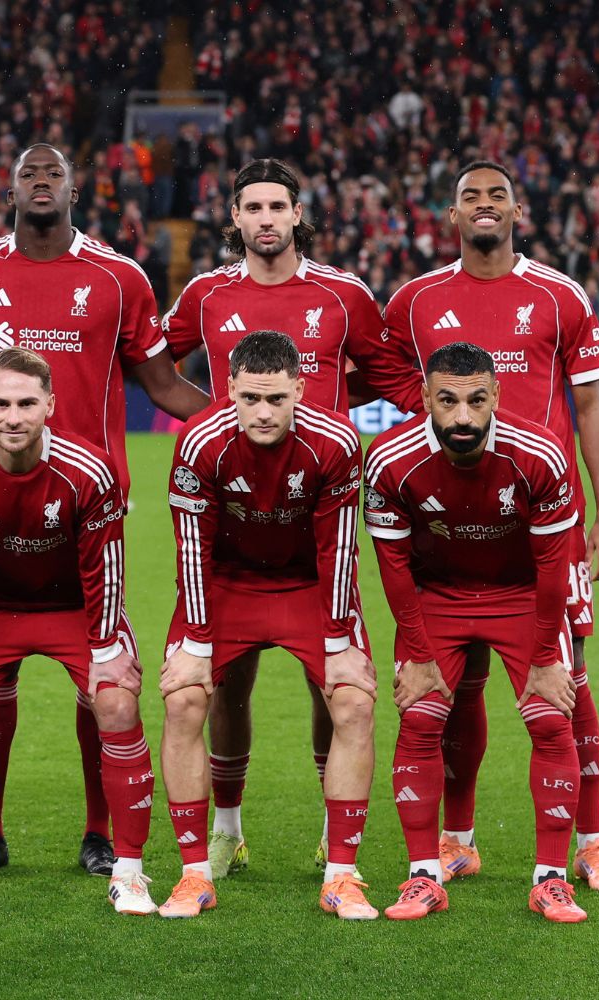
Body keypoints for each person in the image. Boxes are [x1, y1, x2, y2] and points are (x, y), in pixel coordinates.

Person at [0, 142, 209, 876]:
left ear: (74, 189)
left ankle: (98, 833)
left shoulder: (118, 277)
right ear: (10, 191)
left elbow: (162, 383)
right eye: (28, 173)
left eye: (53, 173)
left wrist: (235, 424)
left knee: (101, 678)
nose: (41, 182)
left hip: (91, 511)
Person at [161, 158, 421, 876]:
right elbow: (152, 363)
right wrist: (212, 421)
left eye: (278, 206)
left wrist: (450, 423)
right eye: (253, 207)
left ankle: (332, 828)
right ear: (235, 218)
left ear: (298, 214)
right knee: (227, 684)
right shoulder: (207, 293)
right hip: (233, 521)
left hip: (319, 522)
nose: (267, 218)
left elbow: (390, 376)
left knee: (330, 683)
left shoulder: (343, 295)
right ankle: (227, 828)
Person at [384, 160, 599, 891]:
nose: (484, 205)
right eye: (470, 196)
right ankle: (457, 840)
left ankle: (591, 841)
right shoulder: (415, 301)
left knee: (567, 683)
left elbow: (590, 406)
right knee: (455, 687)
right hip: (449, 529)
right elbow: (383, 382)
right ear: (451, 215)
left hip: (545, 527)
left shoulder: (558, 294)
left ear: (518, 210)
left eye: (497, 195)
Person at [0, 348, 157, 915]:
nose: (13, 417)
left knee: (116, 702)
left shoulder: (88, 469)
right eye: (0, 404)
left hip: (75, 607)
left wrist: (106, 649)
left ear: (50, 405)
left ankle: (128, 871)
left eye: (27, 403)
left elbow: (105, 567)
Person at [365, 342, 587, 924]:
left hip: (521, 595)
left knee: (550, 717)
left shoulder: (540, 454)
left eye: (476, 401)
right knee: (420, 717)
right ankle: (424, 876)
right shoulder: (389, 460)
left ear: (496, 396)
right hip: (438, 597)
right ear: (424, 398)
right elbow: (394, 569)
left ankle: (552, 880)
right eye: (447, 401)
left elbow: (552, 566)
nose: (462, 416)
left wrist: (545, 656)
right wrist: (417, 654)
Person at [159, 330, 378, 920]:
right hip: (227, 584)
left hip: (308, 584)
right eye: (250, 398)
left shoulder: (336, 442)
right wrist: (195, 642)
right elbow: (191, 548)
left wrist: (340, 642)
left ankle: (341, 873)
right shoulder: (199, 442)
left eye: (276, 399)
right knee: (184, 699)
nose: (263, 412)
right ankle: (197, 871)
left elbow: (339, 547)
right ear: (228, 389)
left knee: (353, 701)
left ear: (300, 391)